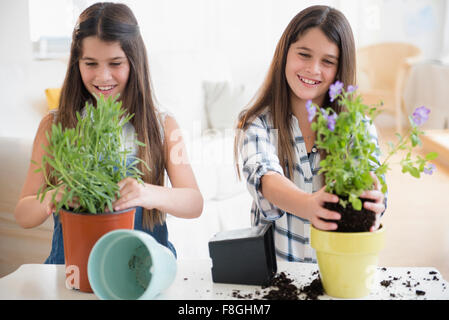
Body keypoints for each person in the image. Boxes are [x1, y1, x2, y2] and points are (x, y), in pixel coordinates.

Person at [14, 2, 203, 263]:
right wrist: (58, 193)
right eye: (90, 63)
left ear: (134, 62)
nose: (103, 77)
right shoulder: (56, 124)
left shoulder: (161, 125)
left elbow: (194, 202)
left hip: (142, 269)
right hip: (74, 267)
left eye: (116, 63)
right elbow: (24, 214)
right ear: (76, 63)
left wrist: (147, 193)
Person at [234, 5, 386, 262]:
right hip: (277, 276)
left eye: (328, 61)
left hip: (339, 274)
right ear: (285, 54)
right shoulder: (256, 121)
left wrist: (374, 195)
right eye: (304, 55)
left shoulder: (357, 126)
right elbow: (264, 175)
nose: (314, 69)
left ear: (340, 69)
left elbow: (371, 176)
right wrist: (308, 205)